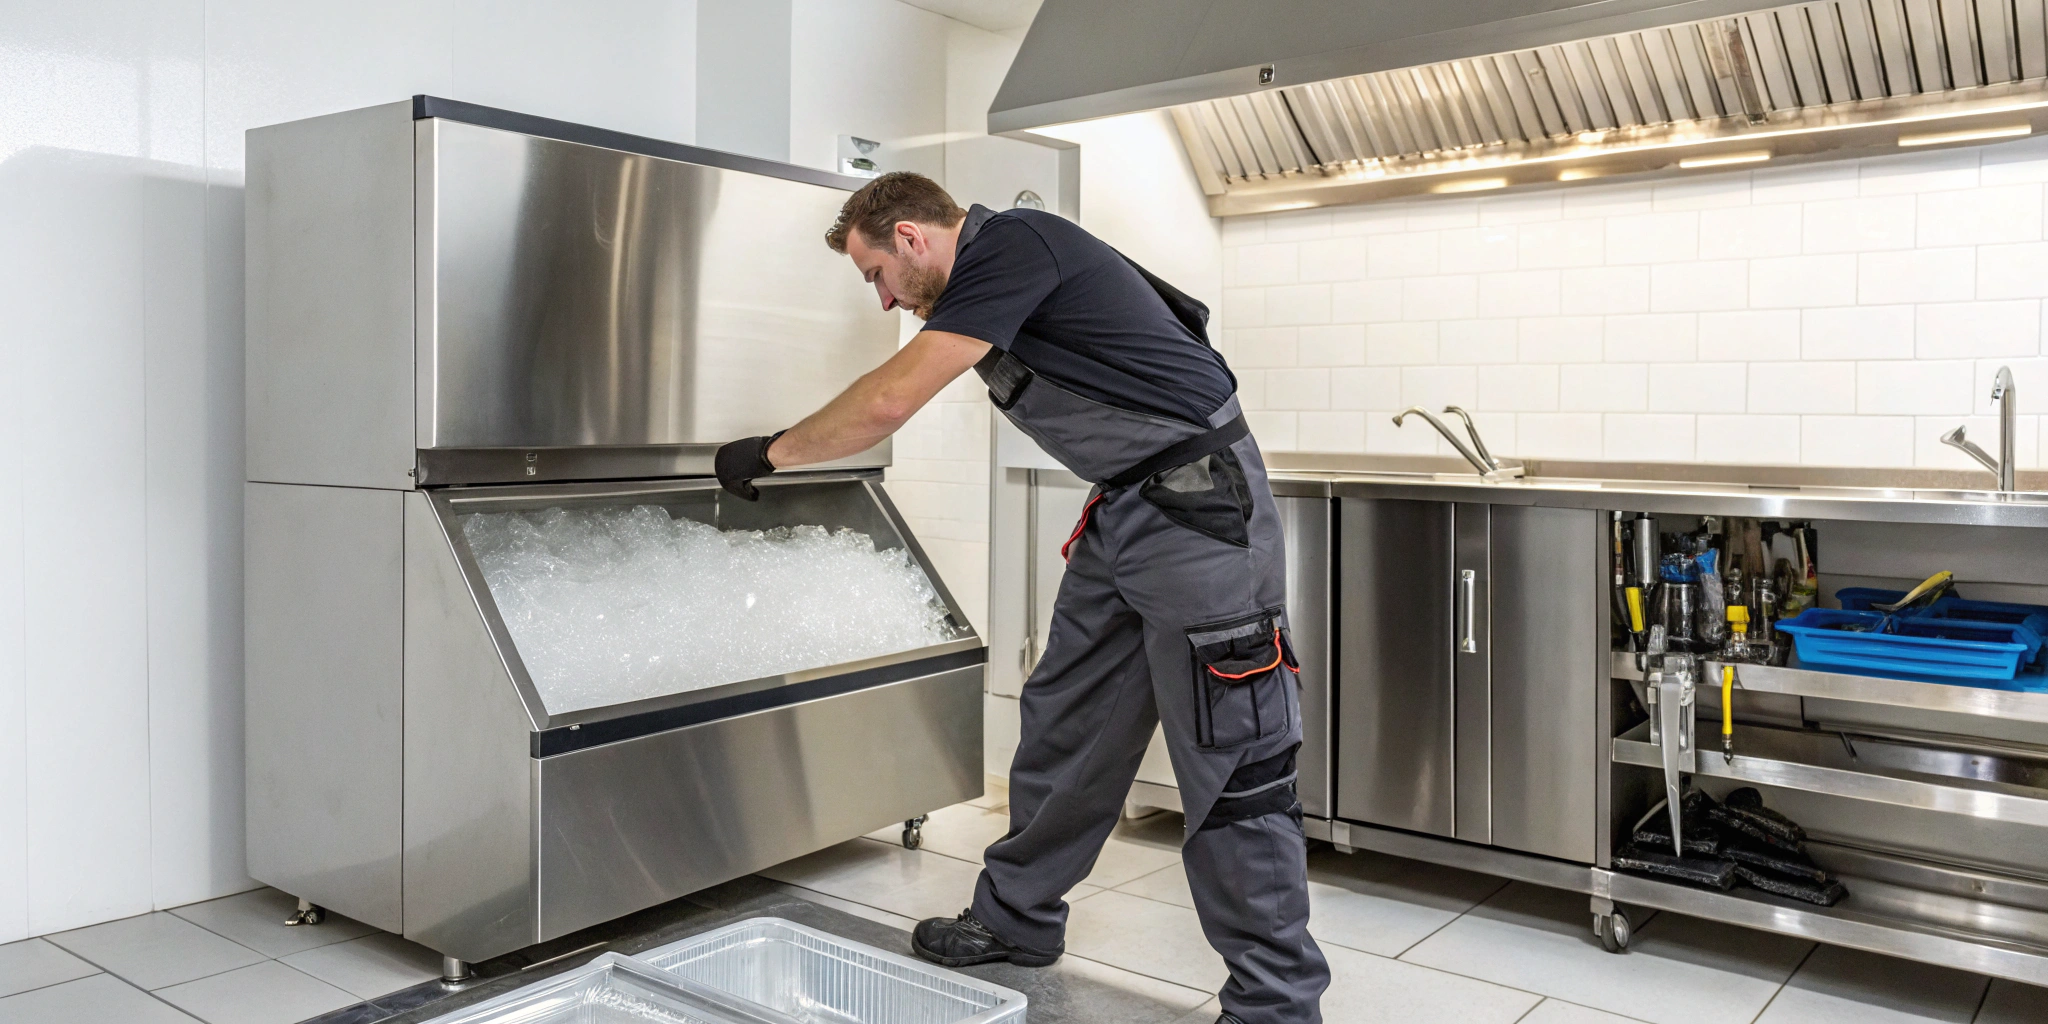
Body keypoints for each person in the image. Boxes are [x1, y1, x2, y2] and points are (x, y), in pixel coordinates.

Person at [714, 172, 1329, 1024]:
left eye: (876, 275)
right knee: (1066, 717)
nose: (885, 300)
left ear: (911, 238)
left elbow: (891, 397)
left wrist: (771, 451)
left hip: (1201, 517)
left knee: (1236, 759)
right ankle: (1017, 918)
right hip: (1131, 509)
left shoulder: (1009, 248)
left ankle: (1276, 1003)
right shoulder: (1000, 268)